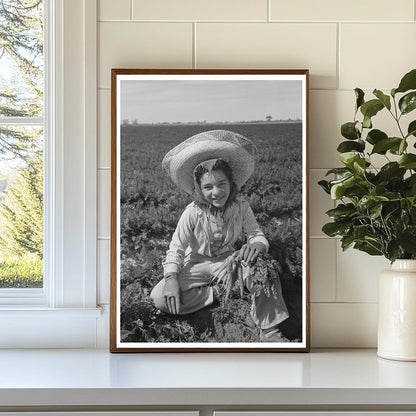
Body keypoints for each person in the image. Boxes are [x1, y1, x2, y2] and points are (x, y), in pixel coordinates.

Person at [150, 130, 289, 342]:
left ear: (231, 183)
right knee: (159, 298)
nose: (216, 192)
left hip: (228, 262)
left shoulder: (241, 207)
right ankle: (219, 291)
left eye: (221, 184)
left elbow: (256, 235)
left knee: (265, 270)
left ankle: (269, 329)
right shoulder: (192, 212)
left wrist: (257, 246)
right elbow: (176, 248)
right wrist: (170, 278)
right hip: (196, 264)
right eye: (208, 187)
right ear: (198, 189)